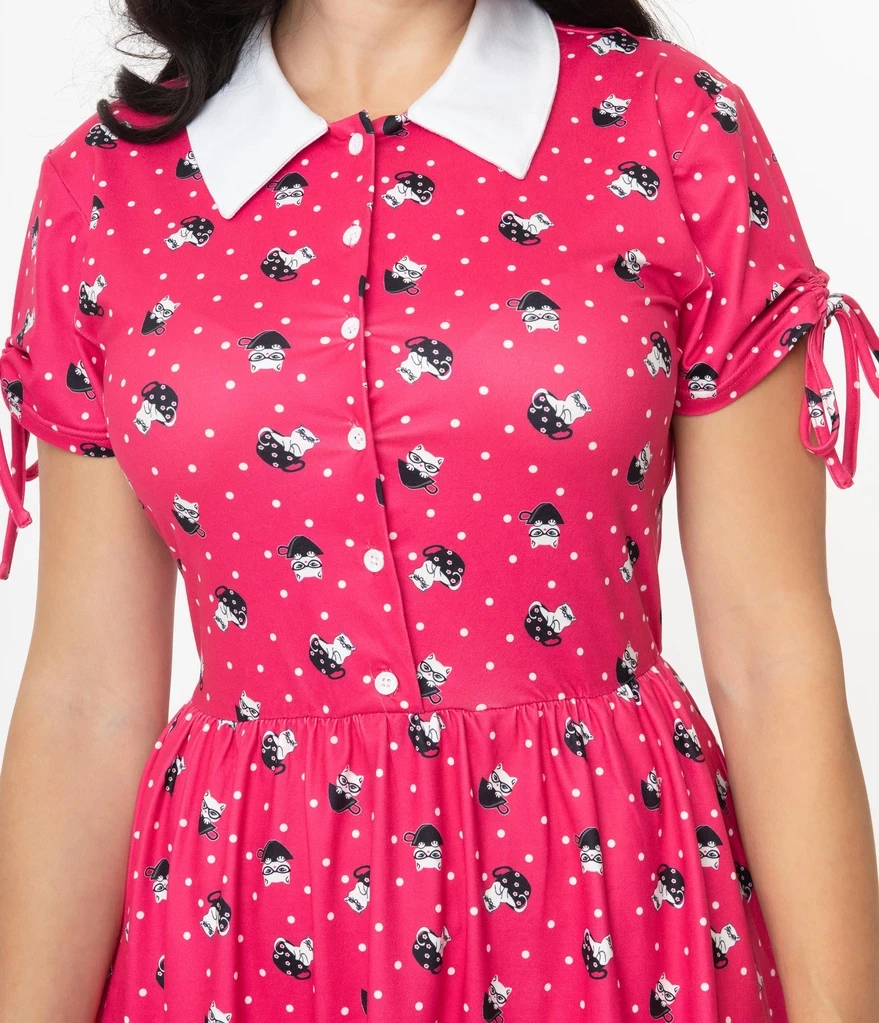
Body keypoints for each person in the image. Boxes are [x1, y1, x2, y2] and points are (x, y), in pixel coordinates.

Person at [0, 0, 877, 1019]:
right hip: (248, 916)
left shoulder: (669, 123)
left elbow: (771, 653)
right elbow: (86, 694)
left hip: (612, 893)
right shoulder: (107, 186)